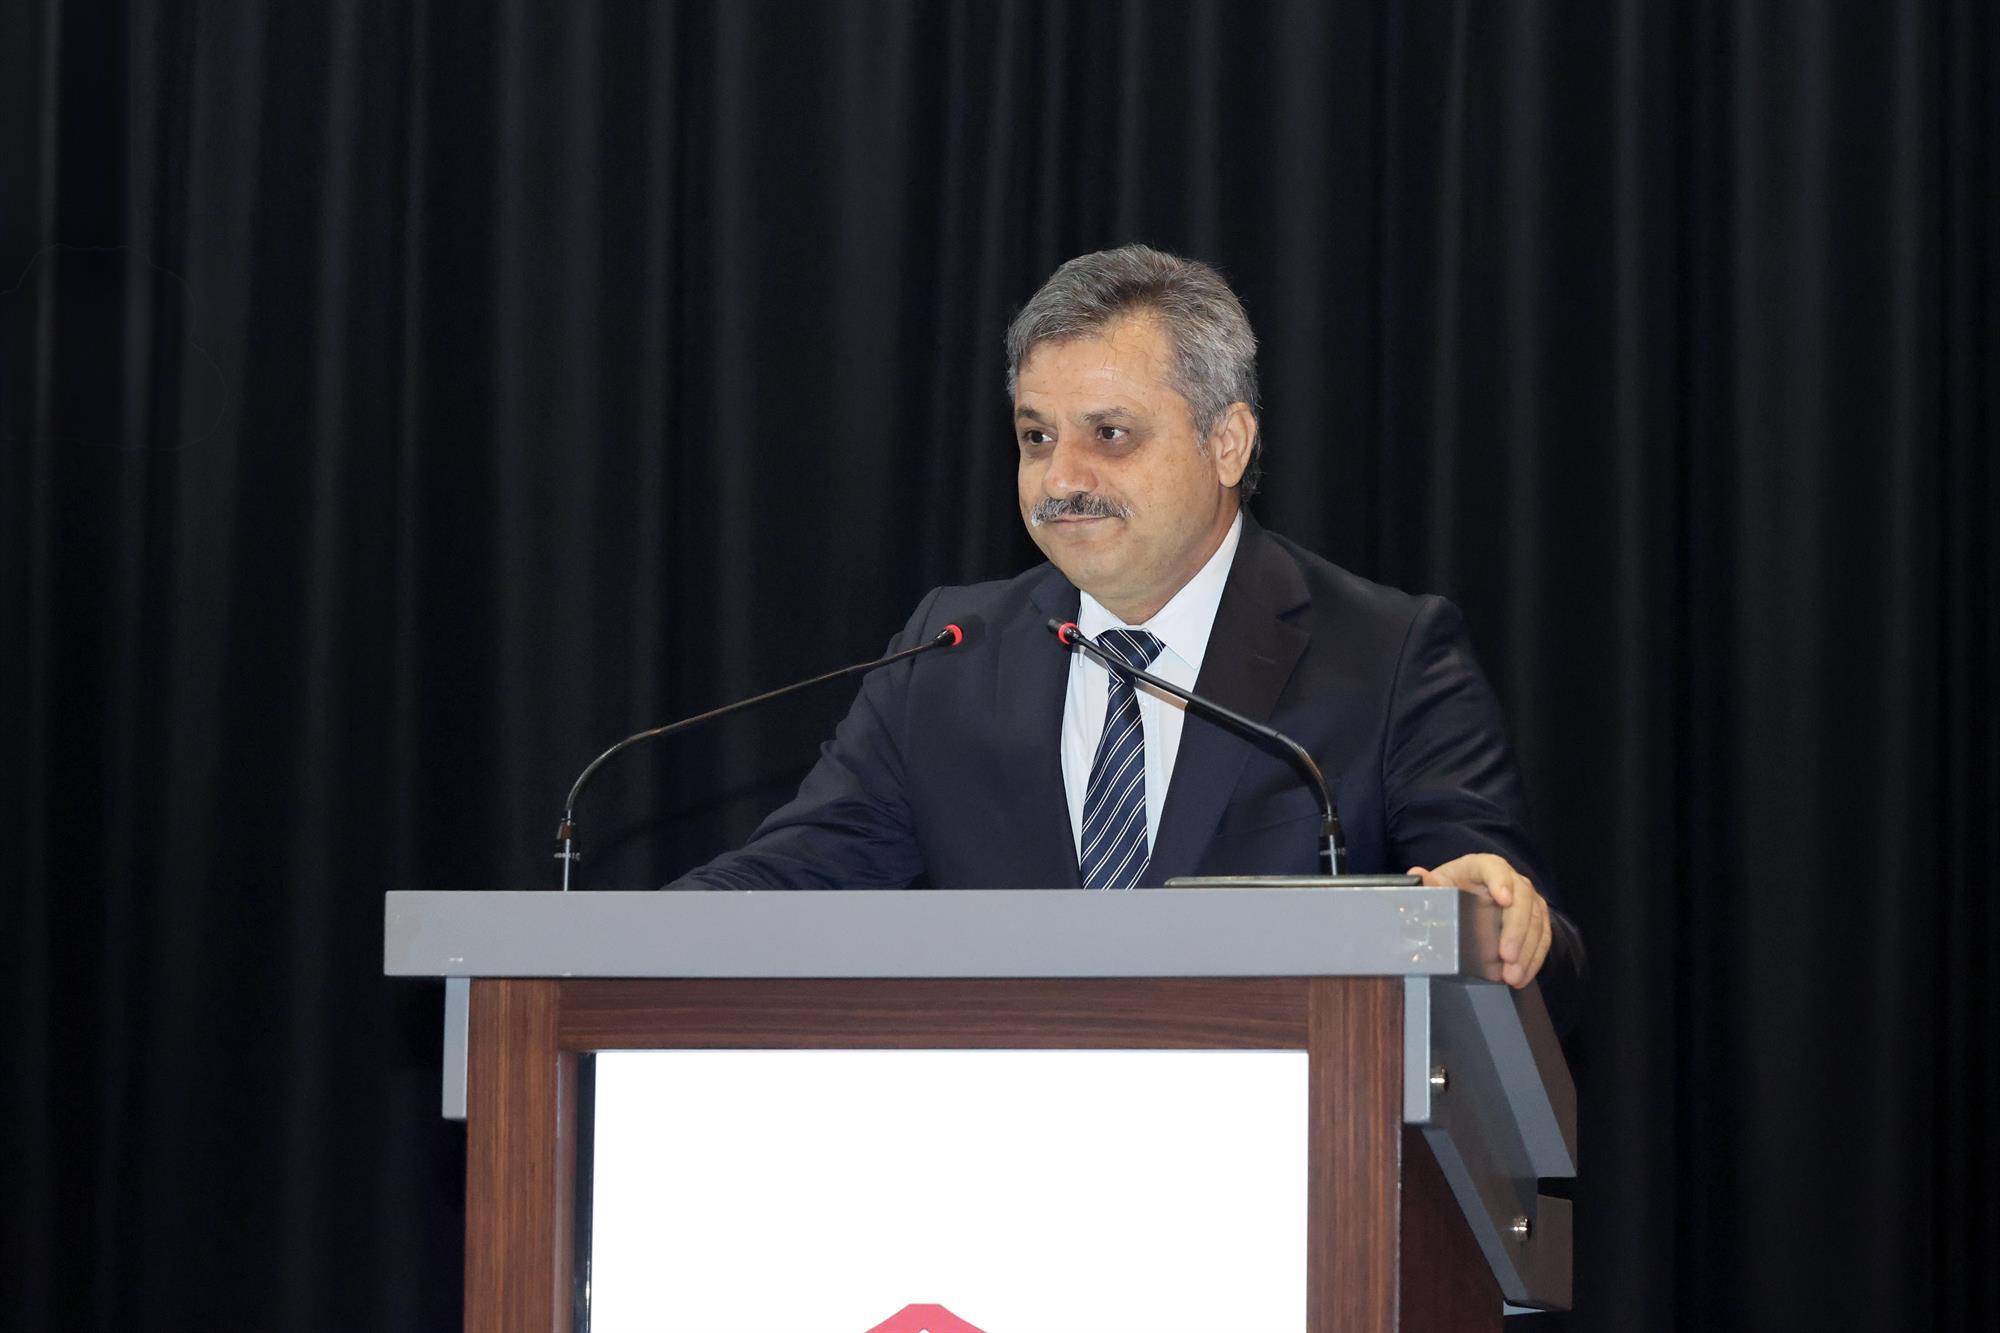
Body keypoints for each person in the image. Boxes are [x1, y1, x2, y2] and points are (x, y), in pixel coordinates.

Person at [672, 244, 1575, 996]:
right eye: (1036, 436)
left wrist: (1487, 919)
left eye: (1109, 434)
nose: (1061, 477)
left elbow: (1540, 959)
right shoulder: (949, 652)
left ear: (1227, 442)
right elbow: (787, 881)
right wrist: (607, 943)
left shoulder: (1385, 656)